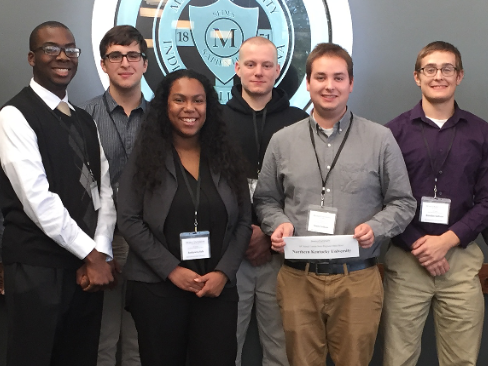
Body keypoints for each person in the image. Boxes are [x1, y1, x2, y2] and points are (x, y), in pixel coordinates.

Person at [253, 43, 416, 366]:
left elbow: (403, 202)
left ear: (351, 83)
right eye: (321, 77)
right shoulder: (283, 141)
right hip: (298, 279)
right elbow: (267, 199)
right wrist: (277, 223)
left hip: (356, 279)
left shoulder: (380, 138)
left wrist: (377, 228)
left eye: (339, 78)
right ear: (309, 83)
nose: (330, 86)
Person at [117, 69, 252, 366]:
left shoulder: (226, 156)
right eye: (179, 100)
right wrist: (172, 270)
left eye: (198, 100)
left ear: (208, 106)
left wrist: (224, 273)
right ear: (165, 105)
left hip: (215, 289)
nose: (189, 108)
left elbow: (244, 220)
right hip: (157, 289)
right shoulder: (145, 155)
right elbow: (128, 219)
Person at [0, 21, 116, 366]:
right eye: (51, 49)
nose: (62, 56)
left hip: (85, 272)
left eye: (70, 49)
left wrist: (101, 251)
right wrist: (91, 255)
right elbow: (38, 200)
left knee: (80, 357)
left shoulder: (84, 119)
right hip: (38, 268)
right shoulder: (14, 116)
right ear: (32, 58)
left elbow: (104, 190)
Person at [383, 41, 488, 366]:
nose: (438, 75)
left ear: (459, 76)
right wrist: (421, 246)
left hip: (460, 261)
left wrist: (446, 241)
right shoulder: (392, 134)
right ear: (417, 76)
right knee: (398, 360)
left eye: (447, 69)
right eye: (430, 68)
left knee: (462, 361)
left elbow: (487, 199)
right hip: (405, 262)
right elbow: (383, 199)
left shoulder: (481, 132)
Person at [222, 36, 308, 366]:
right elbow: (208, 188)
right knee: (227, 344)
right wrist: (247, 233)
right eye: (251, 64)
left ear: (278, 70)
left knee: (281, 346)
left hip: (283, 250)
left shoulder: (300, 121)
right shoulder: (214, 120)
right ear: (237, 68)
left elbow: (307, 189)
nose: (258, 71)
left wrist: (269, 234)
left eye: (267, 65)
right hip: (229, 252)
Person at [82, 25, 147, 366]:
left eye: (133, 55)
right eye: (115, 56)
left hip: (148, 241)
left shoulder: (161, 120)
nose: (125, 62)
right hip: (101, 241)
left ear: (144, 64)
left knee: (140, 338)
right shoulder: (83, 117)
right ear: (104, 64)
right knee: (102, 337)